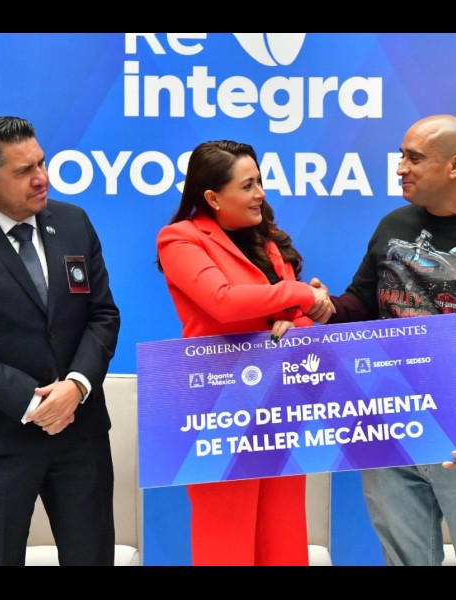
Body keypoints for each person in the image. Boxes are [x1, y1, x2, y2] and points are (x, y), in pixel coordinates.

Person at [307, 114, 456, 566]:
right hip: (389, 422)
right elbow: (363, 303)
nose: (401, 167)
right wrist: (328, 308)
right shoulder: (392, 225)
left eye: (414, 158)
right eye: (401, 156)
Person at [0, 116, 121, 566]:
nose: (41, 178)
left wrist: (75, 388)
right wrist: (37, 404)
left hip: (80, 435)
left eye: (41, 162)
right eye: (24, 170)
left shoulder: (73, 222)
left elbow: (103, 316)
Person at [155, 139, 334, 566]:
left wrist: (301, 315)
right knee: (226, 541)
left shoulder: (266, 239)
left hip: (279, 402)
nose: (260, 194)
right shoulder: (180, 239)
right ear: (213, 197)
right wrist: (298, 294)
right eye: (248, 185)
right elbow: (222, 300)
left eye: (260, 181)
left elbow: (294, 317)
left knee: (284, 537)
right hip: (219, 406)